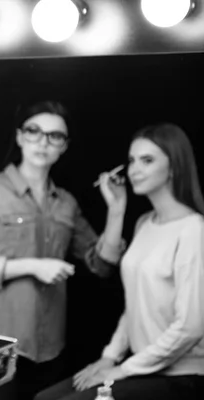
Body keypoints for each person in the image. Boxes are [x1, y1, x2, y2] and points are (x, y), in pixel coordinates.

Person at [0, 100, 127, 400]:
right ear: (20, 137)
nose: (43, 142)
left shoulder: (66, 203)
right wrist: (33, 265)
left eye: (54, 136)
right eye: (34, 131)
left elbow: (102, 265)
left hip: (50, 345)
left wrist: (116, 210)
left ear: (64, 146)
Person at [35, 123, 204, 400]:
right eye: (132, 160)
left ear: (174, 167)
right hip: (141, 366)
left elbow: (191, 327)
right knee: (44, 398)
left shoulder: (194, 229)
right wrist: (109, 358)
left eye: (147, 160)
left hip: (181, 375)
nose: (134, 169)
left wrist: (123, 370)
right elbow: (135, 305)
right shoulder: (144, 224)